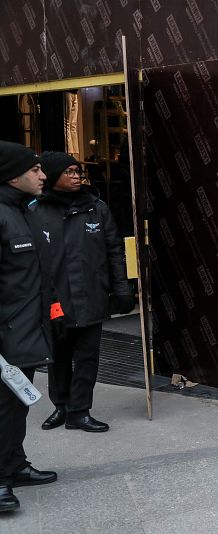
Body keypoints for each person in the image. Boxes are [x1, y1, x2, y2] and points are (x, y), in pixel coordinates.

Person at [33, 152, 135, 433]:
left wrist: (123, 289)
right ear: (53, 177)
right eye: (69, 172)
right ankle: (62, 407)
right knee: (58, 356)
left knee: (88, 356)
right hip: (55, 300)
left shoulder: (97, 208)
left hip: (92, 296)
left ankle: (80, 411)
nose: (77, 176)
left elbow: (115, 250)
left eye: (78, 171)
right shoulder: (35, 211)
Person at [0, 141, 58, 513]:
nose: (42, 175)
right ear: (11, 174)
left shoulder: (25, 211)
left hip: (26, 330)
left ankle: (13, 466)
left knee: (16, 404)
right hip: (5, 334)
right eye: (35, 169)